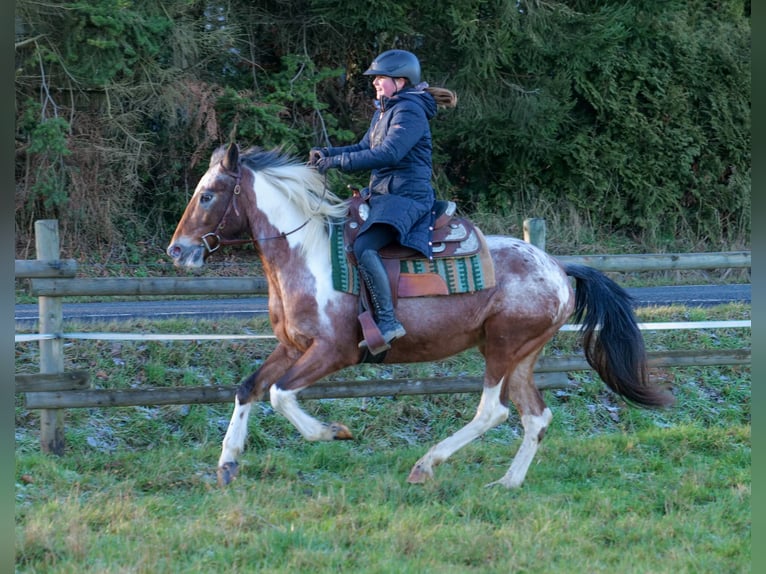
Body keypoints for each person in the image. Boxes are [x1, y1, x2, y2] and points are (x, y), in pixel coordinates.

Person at [309, 49, 457, 353]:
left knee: (364, 246)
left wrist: (340, 163)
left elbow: (389, 153)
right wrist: (328, 153)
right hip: (387, 193)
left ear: (400, 81)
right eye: (375, 78)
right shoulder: (386, 111)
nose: (375, 82)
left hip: (407, 196)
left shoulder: (409, 111)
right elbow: (365, 146)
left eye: (380, 78)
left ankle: (388, 322)